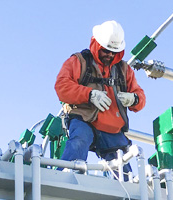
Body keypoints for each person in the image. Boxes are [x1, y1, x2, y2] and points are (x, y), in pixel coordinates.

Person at [54, 20, 146, 180]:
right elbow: (62, 86)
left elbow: (141, 97)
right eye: (106, 50)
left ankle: (129, 194)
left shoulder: (124, 70)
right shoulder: (79, 61)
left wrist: (134, 98)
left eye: (114, 51)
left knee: (124, 172)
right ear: (96, 44)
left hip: (112, 129)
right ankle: (63, 179)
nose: (110, 55)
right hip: (84, 121)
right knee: (78, 143)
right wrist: (89, 94)